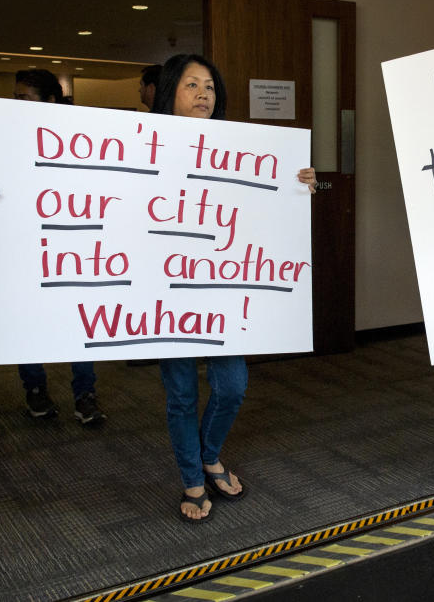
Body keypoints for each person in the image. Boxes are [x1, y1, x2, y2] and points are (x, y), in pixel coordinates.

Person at [150, 54, 316, 522]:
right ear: (170, 92)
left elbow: (264, 208)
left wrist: (303, 186)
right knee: (181, 393)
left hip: (221, 289)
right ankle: (192, 477)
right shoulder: (141, 144)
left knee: (232, 387)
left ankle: (208, 453)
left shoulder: (239, 147)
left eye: (210, 86)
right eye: (191, 85)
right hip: (164, 291)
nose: (204, 93)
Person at [11, 69, 105, 425]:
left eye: (25, 97)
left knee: (78, 320)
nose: (17, 103)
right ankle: (34, 388)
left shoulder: (79, 138)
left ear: (50, 100)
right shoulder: (10, 138)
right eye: (16, 97)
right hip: (26, 242)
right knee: (28, 318)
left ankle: (85, 393)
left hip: (73, 243)